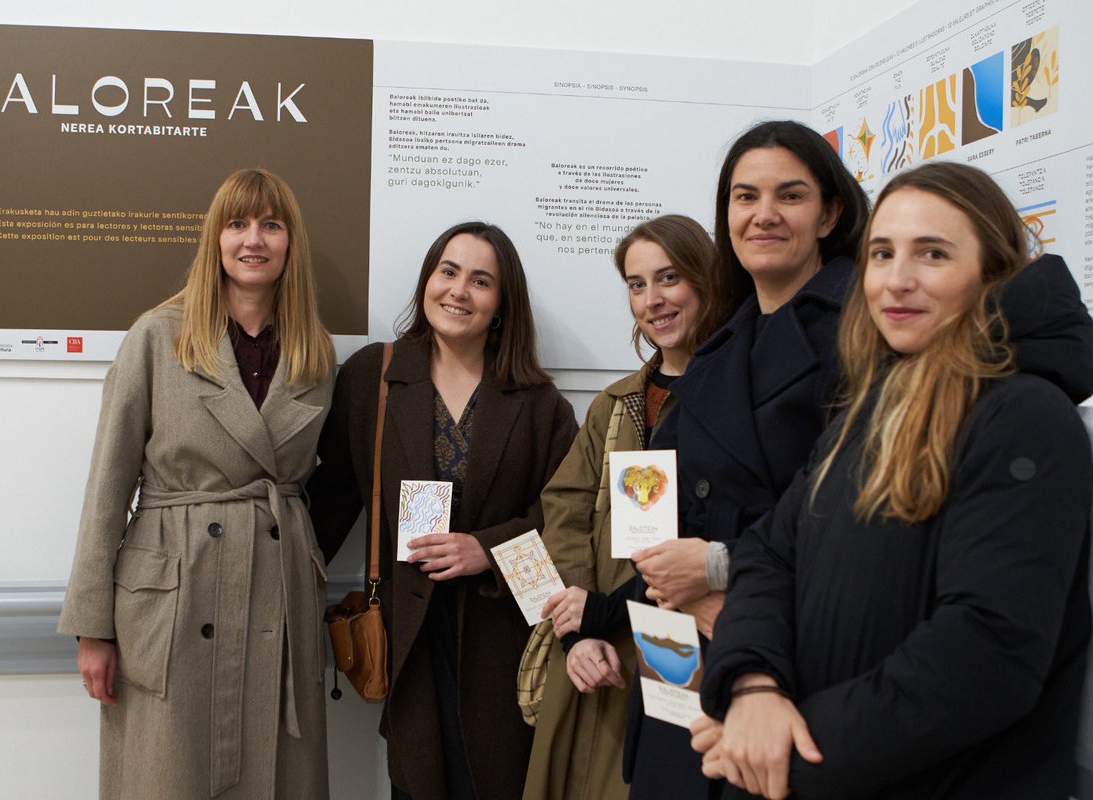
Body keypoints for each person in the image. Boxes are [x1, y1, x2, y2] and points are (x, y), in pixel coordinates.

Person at [693, 162, 1093, 800]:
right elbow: (771, 553)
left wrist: (790, 751)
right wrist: (753, 688)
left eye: (932, 253)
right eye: (881, 254)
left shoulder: (1026, 417)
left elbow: (987, 654)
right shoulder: (872, 405)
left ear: (991, 272)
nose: (897, 281)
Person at [58, 168, 337, 799]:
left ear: (291, 241)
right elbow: (107, 486)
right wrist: (92, 627)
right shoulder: (159, 336)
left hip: (276, 587)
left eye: (271, 224)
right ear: (215, 238)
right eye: (237, 223)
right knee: (170, 773)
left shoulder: (315, 354)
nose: (253, 239)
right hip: (174, 594)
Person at [615, 120, 870, 799]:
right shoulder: (723, 344)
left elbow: (853, 513)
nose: (763, 214)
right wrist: (672, 576)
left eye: (789, 196)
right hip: (680, 645)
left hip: (787, 651)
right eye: (744, 196)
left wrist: (719, 567)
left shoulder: (864, 331)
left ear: (830, 213)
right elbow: (651, 499)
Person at [308, 221, 578, 800]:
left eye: (481, 281)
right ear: (427, 280)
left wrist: (488, 548)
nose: (459, 291)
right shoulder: (373, 378)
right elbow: (326, 507)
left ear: (503, 304)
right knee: (418, 783)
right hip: (409, 638)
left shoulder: (538, 404)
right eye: (448, 272)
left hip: (503, 638)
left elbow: (567, 521)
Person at [523, 214, 739, 800]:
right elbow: (564, 511)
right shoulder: (614, 405)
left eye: (669, 278)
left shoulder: (735, 402)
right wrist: (580, 629)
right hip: (597, 653)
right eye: (637, 285)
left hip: (685, 642)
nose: (652, 300)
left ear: (707, 279)